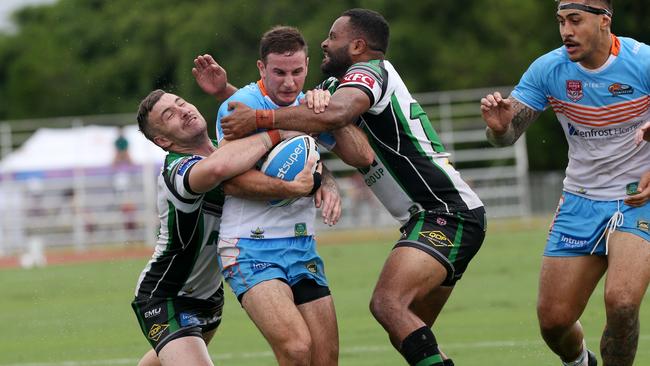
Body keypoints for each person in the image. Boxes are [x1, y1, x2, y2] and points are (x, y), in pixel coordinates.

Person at [221, 10, 486, 366]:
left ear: (358, 45)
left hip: (444, 212)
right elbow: (285, 107)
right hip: (429, 218)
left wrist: (262, 119)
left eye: (333, 36)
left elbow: (343, 132)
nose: (325, 43)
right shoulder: (335, 88)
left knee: (387, 305)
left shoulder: (369, 71)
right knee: (408, 329)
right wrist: (236, 95)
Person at [479, 1, 650, 365]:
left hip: (639, 198)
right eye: (560, 22)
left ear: (604, 22)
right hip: (580, 200)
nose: (565, 31)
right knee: (554, 322)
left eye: (575, 20)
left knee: (621, 301)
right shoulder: (549, 69)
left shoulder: (643, 61)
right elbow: (508, 135)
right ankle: (580, 362)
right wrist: (498, 129)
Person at [131, 89, 317, 366]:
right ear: (163, 140)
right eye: (169, 115)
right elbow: (217, 170)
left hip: (209, 297)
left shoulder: (232, 150)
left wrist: (323, 184)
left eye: (181, 102)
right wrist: (279, 131)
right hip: (167, 295)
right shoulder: (177, 170)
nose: (182, 110)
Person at [213, 26, 356, 366]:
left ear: (307, 65)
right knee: (295, 349)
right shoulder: (242, 105)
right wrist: (294, 187)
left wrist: (332, 115)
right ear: (262, 68)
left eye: (297, 72)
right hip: (249, 247)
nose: (289, 83)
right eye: (279, 72)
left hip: (301, 245)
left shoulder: (311, 105)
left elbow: (361, 157)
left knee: (325, 358)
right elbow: (229, 180)